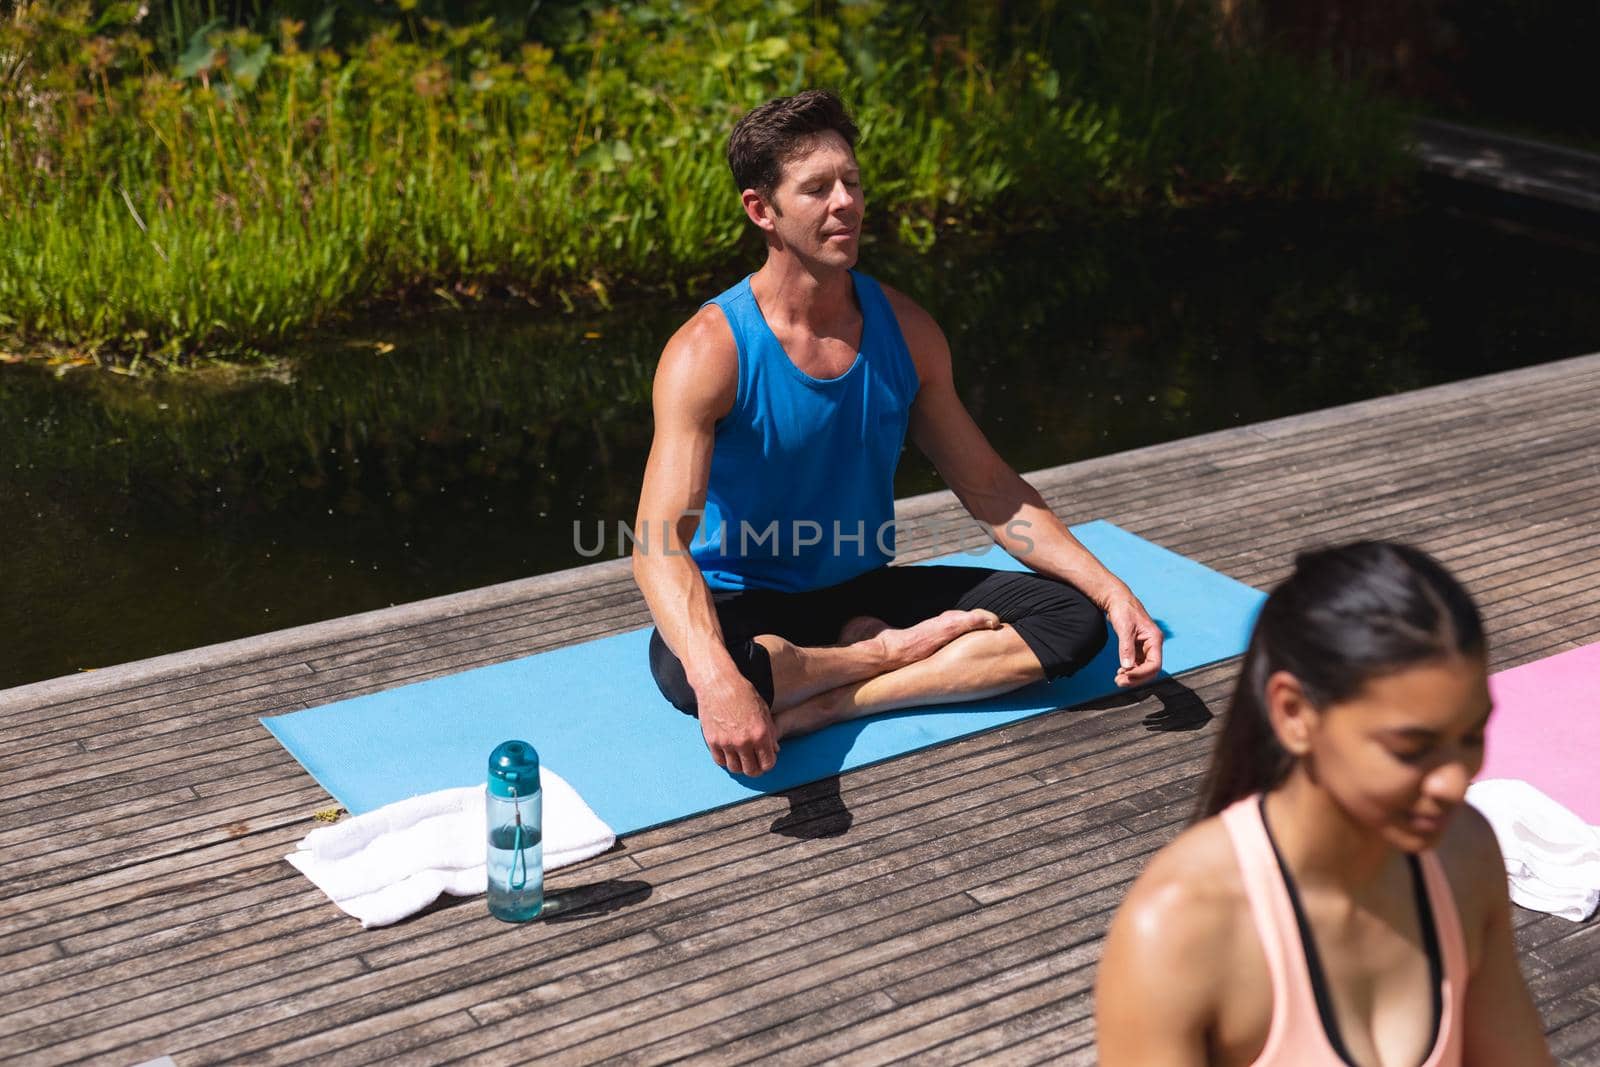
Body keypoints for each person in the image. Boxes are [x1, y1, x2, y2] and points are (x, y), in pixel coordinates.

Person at [631, 89, 1165, 778]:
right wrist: (718, 680)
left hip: (862, 585)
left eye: (851, 182)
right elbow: (657, 543)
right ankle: (878, 653)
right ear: (761, 210)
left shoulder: (907, 332)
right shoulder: (709, 351)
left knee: (1071, 621)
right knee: (694, 671)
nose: (845, 203)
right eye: (817, 188)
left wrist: (1113, 591)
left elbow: (994, 492)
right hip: (745, 600)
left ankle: (833, 699)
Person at [1094, 541, 1553, 1067]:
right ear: (1293, 713)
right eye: (1412, 749)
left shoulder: (1466, 853)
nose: (1455, 782)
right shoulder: (1181, 927)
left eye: (1471, 736)